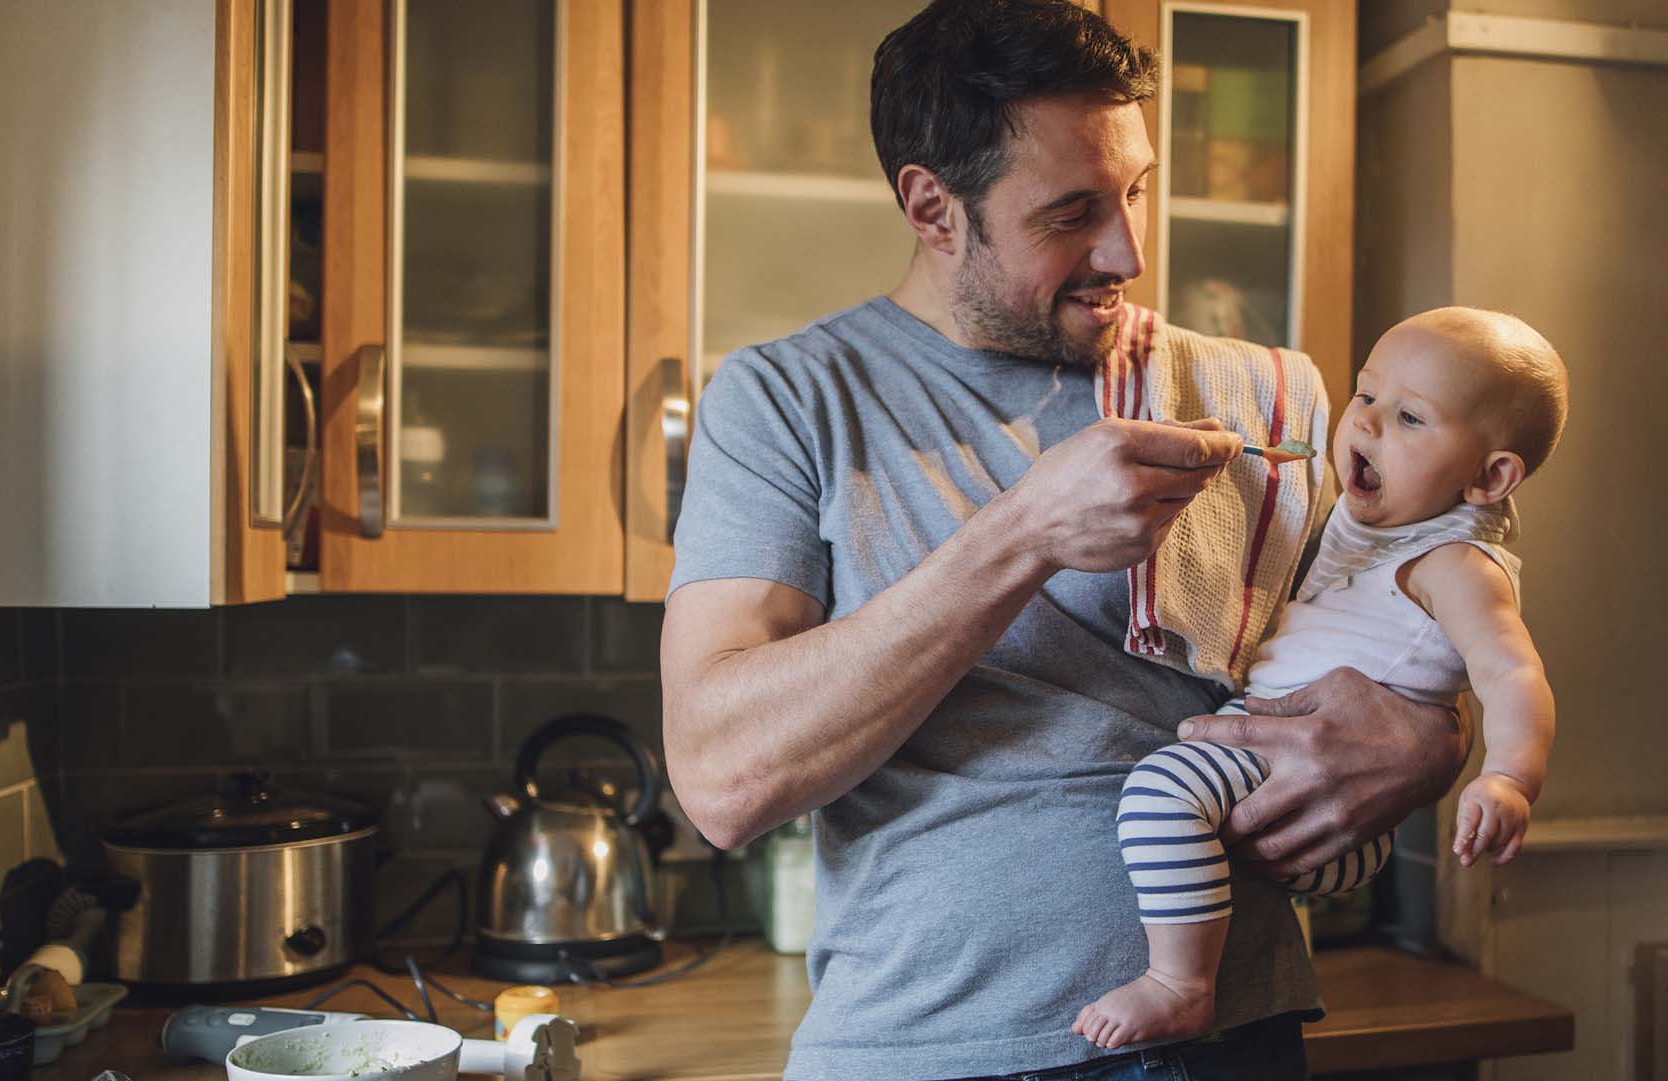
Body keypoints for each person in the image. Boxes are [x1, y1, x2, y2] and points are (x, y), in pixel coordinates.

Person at [660, 2, 1469, 1078]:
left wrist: (1437, 740)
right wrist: (1024, 533)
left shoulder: (1259, 395)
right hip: (931, 1050)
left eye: (1135, 190)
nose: (1128, 248)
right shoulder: (789, 401)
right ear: (932, 207)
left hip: (1232, 1038)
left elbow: (1420, 626)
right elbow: (722, 782)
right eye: (1072, 212)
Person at [1075, 307, 1567, 1050]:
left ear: (1489, 476)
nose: (1364, 425)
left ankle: (1180, 983)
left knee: (1158, 792)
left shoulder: (1455, 564)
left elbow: (1511, 669)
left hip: (1303, 774)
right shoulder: (1374, 526)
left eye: (1408, 417)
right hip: (1305, 795)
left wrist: (1509, 777)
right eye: (1365, 395)